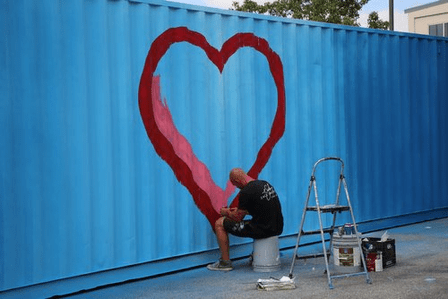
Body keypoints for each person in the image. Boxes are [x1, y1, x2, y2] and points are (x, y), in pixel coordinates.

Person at [207, 168, 284, 271]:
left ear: (237, 181)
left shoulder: (246, 191)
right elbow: (262, 208)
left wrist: (226, 212)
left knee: (220, 223)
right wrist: (241, 211)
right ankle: (258, 255)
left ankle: (225, 263)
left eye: (234, 184)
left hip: (263, 229)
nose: (236, 187)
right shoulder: (264, 184)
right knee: (255, 221)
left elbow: (238, 218)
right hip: (277, 227)